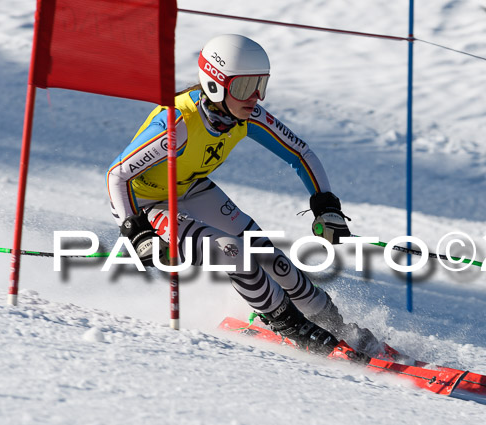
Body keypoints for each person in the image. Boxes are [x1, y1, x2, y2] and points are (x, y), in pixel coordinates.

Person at [107, 34, 380, 359]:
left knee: (269, 256)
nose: (253, 97)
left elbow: (300, 153)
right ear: (214, 86)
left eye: (259, 85)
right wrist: (136, 232)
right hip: (145, 204)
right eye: (243, 87)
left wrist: (325, 207)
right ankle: (293, 327)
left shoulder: (246, 115)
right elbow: (117, 174)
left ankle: (335, 324)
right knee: (233, 252)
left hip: (189, 189)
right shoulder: (178, 123)